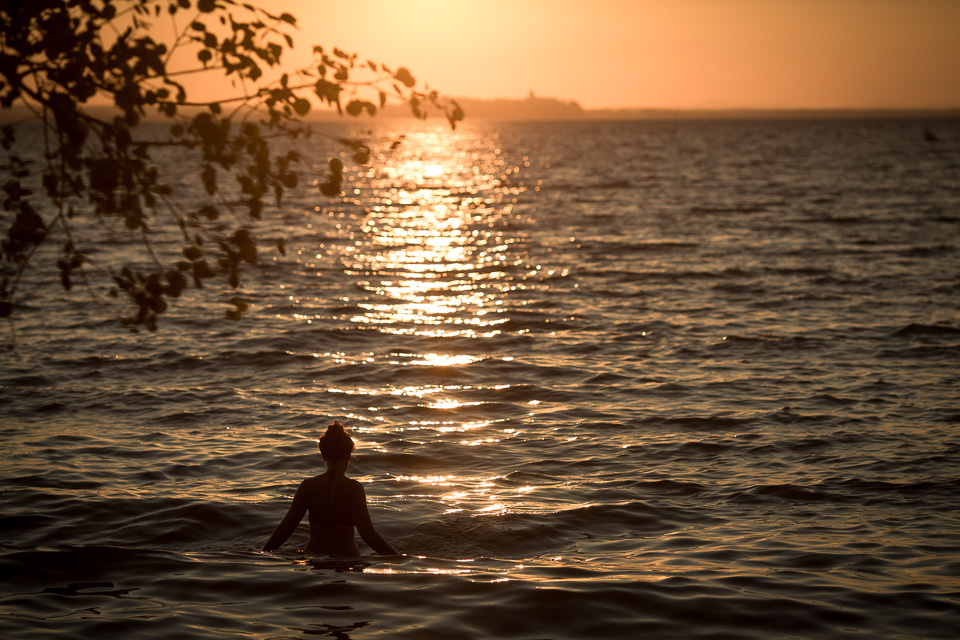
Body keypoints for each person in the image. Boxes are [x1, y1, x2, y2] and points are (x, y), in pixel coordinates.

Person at [262, 421, 398, 555]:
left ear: (323, 456)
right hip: (346, 558)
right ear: (348, 456)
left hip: (314, 556)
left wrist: (263, 553)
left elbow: (285, 529)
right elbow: (368, 535)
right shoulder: (354, 488)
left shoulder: (307, 486)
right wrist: (398, 558)